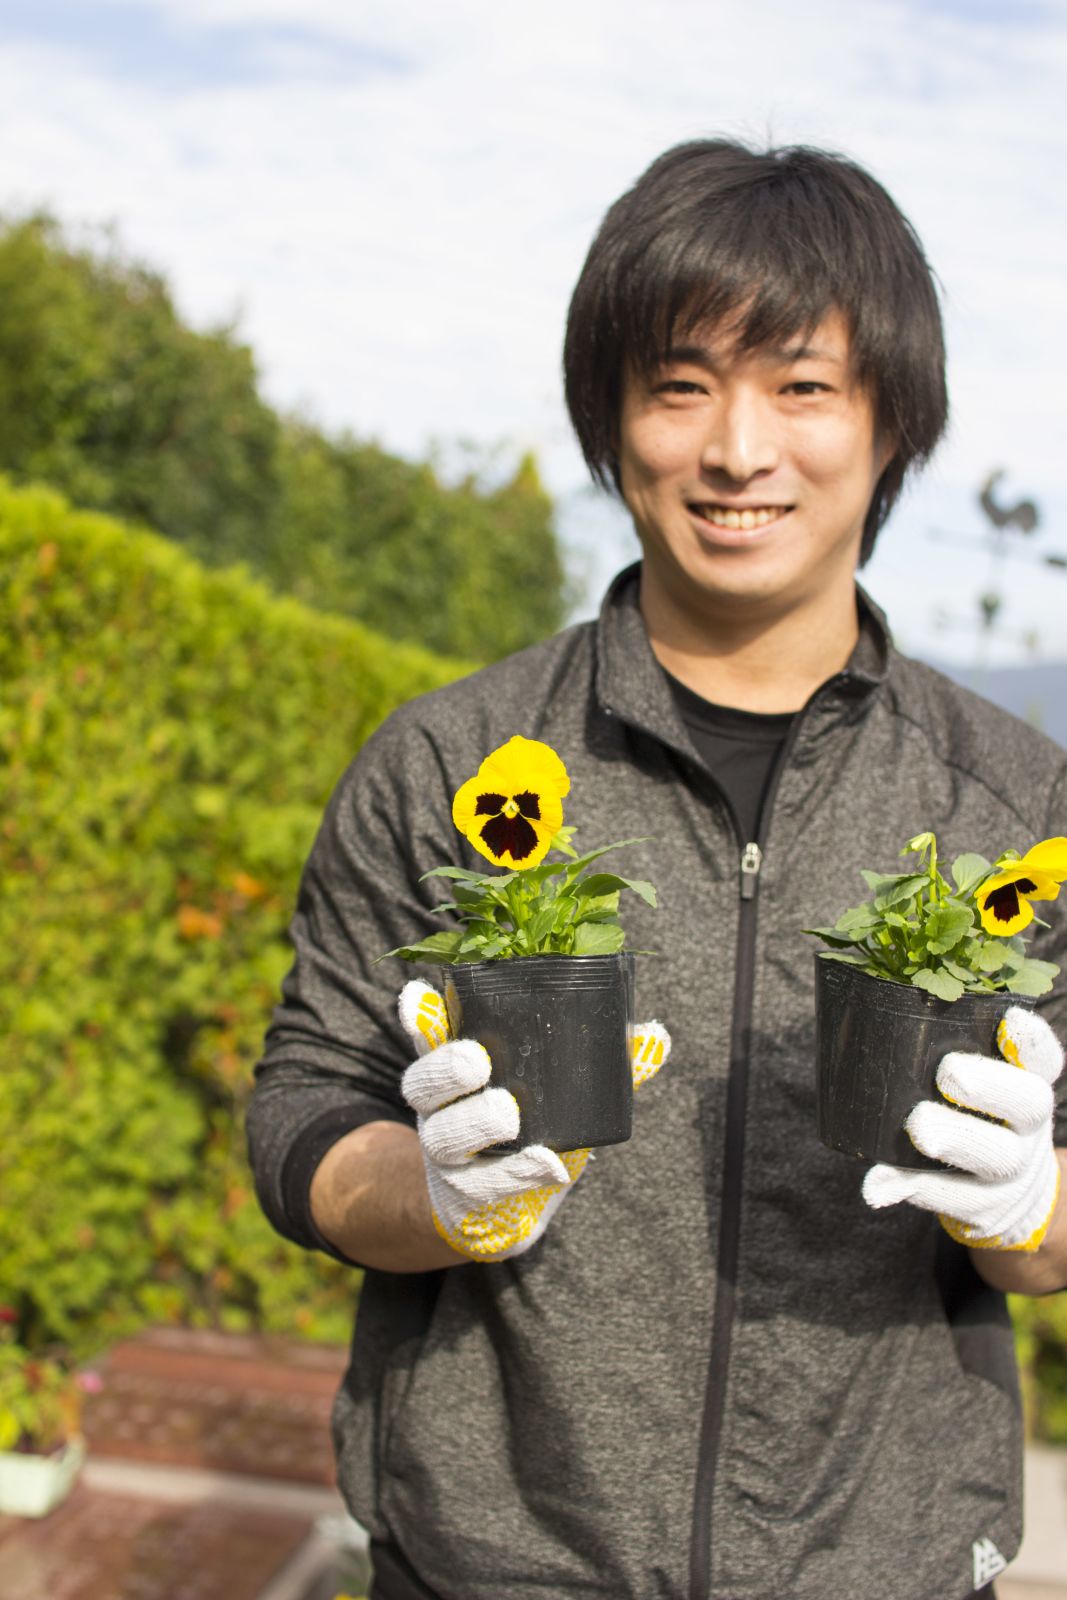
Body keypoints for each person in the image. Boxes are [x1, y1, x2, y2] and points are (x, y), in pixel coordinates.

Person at [246, 139, 1067, 1600]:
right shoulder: (453, 764)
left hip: (885, 1566)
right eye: (680, 384)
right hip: (488, 1563)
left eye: (802, 387)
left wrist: (1022, 1209)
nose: (737, 448)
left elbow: (1055, 1231)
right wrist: (433, 1200)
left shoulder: (1010, 799)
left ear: (892, 425)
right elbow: (304, 1113)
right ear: (612, 422)